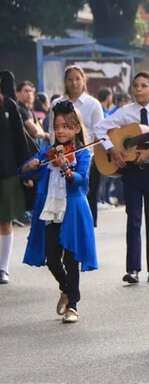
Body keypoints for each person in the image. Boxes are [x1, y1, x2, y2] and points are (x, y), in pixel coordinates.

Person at [94, 71, 149, 284]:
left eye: (143, 85)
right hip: (131, 171)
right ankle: (132, 269)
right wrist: (112, 150)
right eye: (136, 85)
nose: (139, 89)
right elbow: (100, 128)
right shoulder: (125, 112)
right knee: (133, 219)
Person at [21, 101, 98, 323]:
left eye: (66, 126)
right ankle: (66, 288)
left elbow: (81, 183)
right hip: (52, 210)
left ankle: (72, 305)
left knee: (71, 259)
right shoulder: (47, 152)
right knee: (53, 258)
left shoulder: (82, 154)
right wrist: (31, 166)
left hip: (73, 210)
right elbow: (24, 172)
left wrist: (66, 168)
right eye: (57, 126)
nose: (61, 131)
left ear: (75, 128)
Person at [52, 66, 104, 227]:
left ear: (83, 80)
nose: (74, 83)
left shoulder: (93, 104)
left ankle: (88, 228)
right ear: (65, 82)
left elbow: (99, 132)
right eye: (70, 79)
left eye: (77, 79)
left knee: (88, 195)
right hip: (60, 156)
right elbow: (51, 131)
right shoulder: (57, 103)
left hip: (87, 155)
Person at [0, 71, 30, 284]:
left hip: (6, 171)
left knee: (4, 220)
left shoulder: (9, 106)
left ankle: (3, 267)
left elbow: (20, 140)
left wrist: (26, 171)